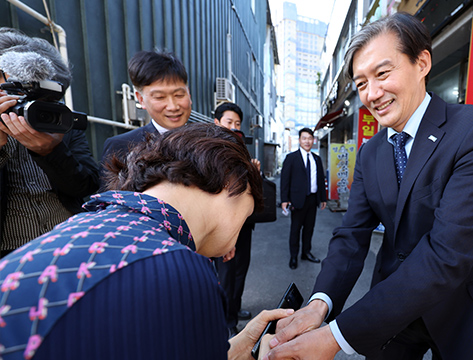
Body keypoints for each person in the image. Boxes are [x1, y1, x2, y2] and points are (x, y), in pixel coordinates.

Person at [266, 12, 473, 360]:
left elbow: (447, 253)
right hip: (393, 311)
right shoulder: (370, 152)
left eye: (382, 73)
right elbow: (352, 236)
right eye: (361, 83)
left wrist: (335, 336)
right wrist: (320, 304)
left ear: (422, 62)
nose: (372, 94)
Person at [0, 123, 292, 360]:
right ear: (233, 183)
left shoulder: (78, 226)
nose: (233, 244)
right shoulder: (178, 267)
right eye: (246, 219)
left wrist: (231, 349)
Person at [0, 28, 99, 257]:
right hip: (9, 252)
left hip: (68, 238)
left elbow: (88, 185)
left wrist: (52, 152)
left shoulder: (57, 120)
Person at [101, 50, 192, 173]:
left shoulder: (211, 141)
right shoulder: (120, 147)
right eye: (160, 97)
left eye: (179, 95)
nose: (173, 106)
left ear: (189, 93)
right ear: (141, 99)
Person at [213, 101, 260, 334]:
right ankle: (227, 321)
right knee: (226, 275)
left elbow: (251, 191)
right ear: (217, 123)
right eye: (228, 122)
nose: (233, 127)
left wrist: (254, 173)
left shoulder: (243, 150)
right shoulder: (208, 151)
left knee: (241, 271)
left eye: (237, 123)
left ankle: (235, 307)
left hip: (244, 225)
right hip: (221, 227)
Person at [280, 127, 326, 270]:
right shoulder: (291, 158)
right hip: (297, 200)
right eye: (304, 138)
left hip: (312, 199)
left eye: (310, 138)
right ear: (299, 140)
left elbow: (320, 180)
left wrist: (323, 198)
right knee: (295, 229)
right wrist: (284, 199)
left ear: (313, 140)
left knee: (309, 228)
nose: (307, 141)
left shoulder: (317, 159)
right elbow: (284, 180)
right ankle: (294, 256)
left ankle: (306, 252)